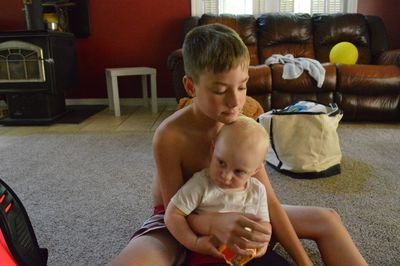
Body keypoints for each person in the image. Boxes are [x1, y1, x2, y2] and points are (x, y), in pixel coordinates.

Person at [109, 24, 367, 266]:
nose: (236, 102)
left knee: (328, 219)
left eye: (242, 86)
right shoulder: (170, 135)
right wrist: (213, 224)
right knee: (135, 260)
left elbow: (269, 201)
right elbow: (174, 211)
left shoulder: (241, 128)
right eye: (221, 90)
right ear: (191, 86)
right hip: (179, 217)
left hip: (235, 204)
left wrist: (304, 262)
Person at [165, 116, 278, 265]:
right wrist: (195, 242)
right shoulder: (201, 183)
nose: (226, 176)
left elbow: (263, 224)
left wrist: (263, 244)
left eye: (238, 171)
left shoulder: (257, 190)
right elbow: (172, 215)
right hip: (209, 252)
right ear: (213, 150)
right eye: (221, 162)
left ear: (255, 170)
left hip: (246, 253)